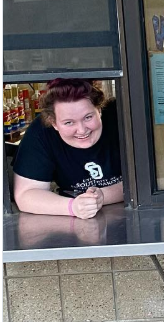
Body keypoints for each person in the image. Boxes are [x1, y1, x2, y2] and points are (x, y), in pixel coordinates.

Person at [13, 79, 124, 218]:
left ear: (99, 110)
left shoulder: (120, 116)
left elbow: (151, 179)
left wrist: (102, 196)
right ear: (54, 124)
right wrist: (73, 207)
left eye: (88, 117)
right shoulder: (41, 132)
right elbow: (26, 194)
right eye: (69, 122)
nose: (82, 130)